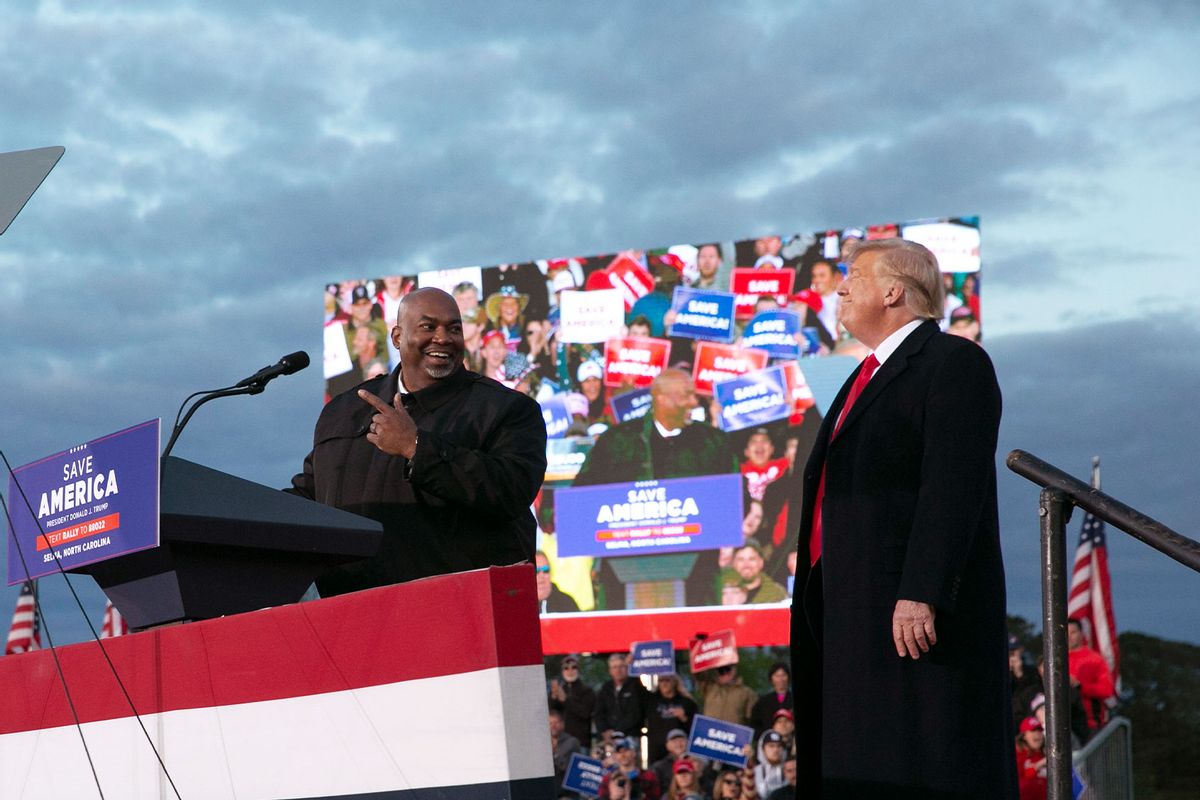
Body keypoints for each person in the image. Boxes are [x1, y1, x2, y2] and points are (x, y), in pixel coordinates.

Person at [790, 238, 1015, 797]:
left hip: (905, 617)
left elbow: (953, 484)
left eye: (855, 275)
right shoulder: (856, 378)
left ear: (894, 291)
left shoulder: (953, 362)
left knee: (919, 762)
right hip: (845, 612)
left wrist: (923, 590)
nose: (840, 287)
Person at [289, 287, 547, 595]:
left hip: (456, 615)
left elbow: (510, 490)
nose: (443, 338)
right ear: (397, 337)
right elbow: (310, 497)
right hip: (351, 617)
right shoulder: (343, 412)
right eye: (429, 327)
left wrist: (417, 448)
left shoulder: (506, 409)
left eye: (454, 329)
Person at [572, 369, 737, 609]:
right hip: (625, 573)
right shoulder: (618, 441)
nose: (693, 402)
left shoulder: (713, 441)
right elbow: (582, 495)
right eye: (686, 395)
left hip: (698, 575)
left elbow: (734, 496)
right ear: (660, 397)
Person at [1067, 618, 1116, 733]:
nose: (1069, 636)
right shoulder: (1056, 660)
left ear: (1081, 633)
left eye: (1073, 632)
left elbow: (1106, 690)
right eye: (1066, 633)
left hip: (1089, 723)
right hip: (1062, 723)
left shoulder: (1094, 659)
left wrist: (1080, 686)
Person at [594, 653, 651, 749]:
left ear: (627, 668)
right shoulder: (606, 688)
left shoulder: (635, 685)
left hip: (630, 736)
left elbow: (636, 713)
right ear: (610, 671)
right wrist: (605, 731)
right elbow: (598, 712)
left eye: (621, 666)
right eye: (614, 667)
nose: (618, 670)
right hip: (608, 739)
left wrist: (617, 731)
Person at [645, 675, 698, 763]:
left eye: (667, 680)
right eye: (661, 681)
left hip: (680, 750)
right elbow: (636, 688)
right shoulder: (651, 700)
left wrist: (684, 718)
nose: (664, 683)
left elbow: (696, 729)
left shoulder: (687, 702)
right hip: (657, 750)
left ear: (674, 682)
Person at [549, 654, 596, 750]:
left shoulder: (587, 691)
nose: (570, 671)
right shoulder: (559, 690)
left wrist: (566, 700)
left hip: (581, 742)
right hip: (560, 742)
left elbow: (585, 713)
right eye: (566, 668)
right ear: (562, 672)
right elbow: (551, 713)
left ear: (578, 670)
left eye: (573, 667)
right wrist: (553, 697)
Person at [749, 663, 792, 737]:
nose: (781, 679)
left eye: (783, 675)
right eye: (777, 676)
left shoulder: (791, 699)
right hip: (769, 743)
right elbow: (754, 725)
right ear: (771, 679)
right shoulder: (763, 702)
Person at [550, 708, 583, 796]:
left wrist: (555, 753)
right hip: (548, 789)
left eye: (556, 723)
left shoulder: (572, 742)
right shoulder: (541, 744)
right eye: (550, 723)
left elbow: (578, 767)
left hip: (566, 792)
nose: (553, 726)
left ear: (562, 724)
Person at [1014, 717, 1047, 800]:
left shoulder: (1044, 754)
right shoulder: (1018, 754)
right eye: (1033, 730)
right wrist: (1039, 764)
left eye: (1039, 731)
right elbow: (1021, 779)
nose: (1037, 734)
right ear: (1024, 735)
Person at [753, 730, 787, 798]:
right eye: (771, 746)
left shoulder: (790, 770)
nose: (776, 750)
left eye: (779, 746)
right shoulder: (754, 772)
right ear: (762, 749)